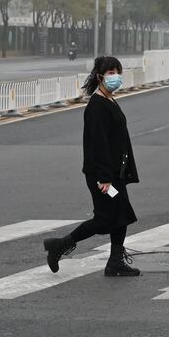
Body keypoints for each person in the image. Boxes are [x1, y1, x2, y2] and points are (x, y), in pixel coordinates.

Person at [43, 55, 141, 277]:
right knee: (105, 219)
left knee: (121, 214)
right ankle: (59, 245)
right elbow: (98, 144)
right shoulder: (97, 106)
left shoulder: (109, 100)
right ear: (100, 77)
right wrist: (104, 178)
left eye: (118, 72)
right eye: (111, 73)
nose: (116, 77)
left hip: (114, 173)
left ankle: (115, 262)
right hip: (103, 176)